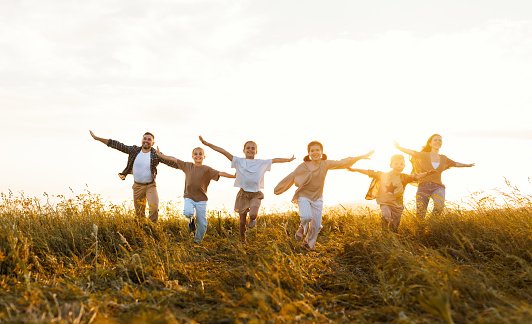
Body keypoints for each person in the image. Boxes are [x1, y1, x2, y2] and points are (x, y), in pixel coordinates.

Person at [274, 141, 374, 250]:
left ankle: (307, 244)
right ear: (309, 153)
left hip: (317, 197)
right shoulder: (302, 166)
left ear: (321, 152)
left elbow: (342, 162)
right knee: (307, 217)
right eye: (312, 151)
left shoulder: (325, 164)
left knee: (316, 226)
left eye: (317, 150)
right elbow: (292, 176)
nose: (315, 152)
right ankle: (302, 226)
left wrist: (360, 157)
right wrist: (279, 188)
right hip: (303, 195)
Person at [199, 136, 295, 244]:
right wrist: (207, 144)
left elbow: (275, 160)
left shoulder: (261, 163)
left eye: (253, 148)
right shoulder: (239, 161)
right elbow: (223, 152)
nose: (250, 150)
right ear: (244, 150)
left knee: (253, 214)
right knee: (242, 221)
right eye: (248, 148)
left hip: (255, 194)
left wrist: (288, 160)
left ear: (256, 151)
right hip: (243, 194)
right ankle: (243, 239)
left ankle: (252, 219)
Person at [89, 130, 177, 223]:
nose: (146, 141)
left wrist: (190, 167)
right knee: (139, 214)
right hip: (137, 186)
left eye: (149, 140)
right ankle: (143, 230)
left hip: (150, 186)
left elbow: (171, 163)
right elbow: (117, 145)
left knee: (154, 208)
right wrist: (97, 138)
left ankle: (153, 228)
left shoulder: (156, 154)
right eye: (145, 138)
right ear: (142, 140)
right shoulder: (134, 150)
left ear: (153, 143)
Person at [155, 146, 235, 243]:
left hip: (201, 200)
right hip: (189, 196)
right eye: (196, 154)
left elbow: (220, 173)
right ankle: (191, 219)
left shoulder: (207, 169)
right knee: (188, 212)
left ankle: (197, 241)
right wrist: (161, 155)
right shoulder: (187, 166)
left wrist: (233, 176)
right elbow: (174, 159)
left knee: (202, 224)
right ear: (192, 156)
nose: (198, 156)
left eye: (200, 154)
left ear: (204, 156)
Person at [348, 154, 436, 232]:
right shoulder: (383, 175)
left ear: (404, 166)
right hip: (385, 203)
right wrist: (356, 169)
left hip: (398, 206)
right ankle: (384, 232)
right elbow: (370, 172)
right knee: (386, 215)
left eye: (401, 164)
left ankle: (392, 238)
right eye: (396, 163)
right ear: (391, 165)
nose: (399, 166)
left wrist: (427, 173)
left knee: (394, 228)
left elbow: (416, 177)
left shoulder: (404, 177)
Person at [394, 134, 474, 218]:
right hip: (423, 186)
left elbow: (455, 163)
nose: (438, 142)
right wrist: (399, 147)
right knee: (420, 214)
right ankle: (421, 229)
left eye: (440, 140)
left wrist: (466, 165)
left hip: (438, 187)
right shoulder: (424, 155)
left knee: (439, 206)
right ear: (430, 143)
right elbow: (412, 152)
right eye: (435, 140)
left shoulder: (443, 158)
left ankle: (431, 224)